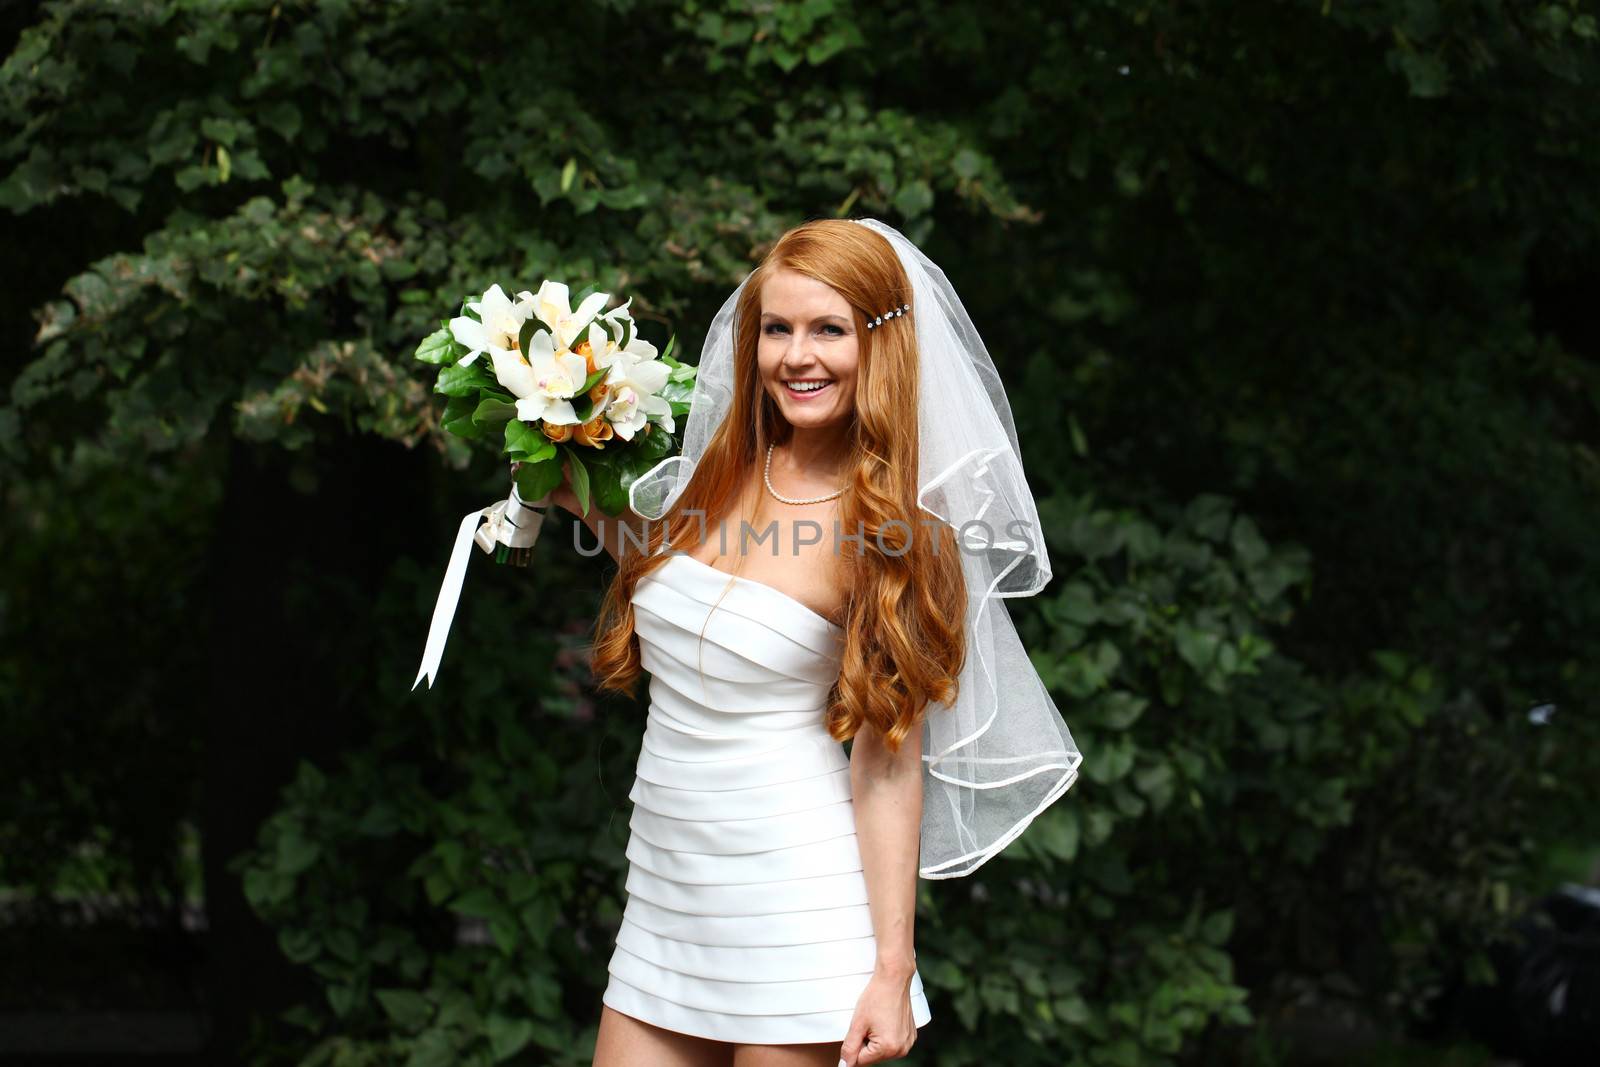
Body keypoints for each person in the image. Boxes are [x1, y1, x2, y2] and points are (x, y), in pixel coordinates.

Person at [542, 218, 1082, 1067]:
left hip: (796, 902)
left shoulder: (896, 533)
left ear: (882, 344)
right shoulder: (722, 470)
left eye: (829, 329)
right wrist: (562, 478)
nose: (798, 355)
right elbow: (691, 593)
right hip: (665, 900)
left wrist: (892, 968)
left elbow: (888, 759)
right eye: (779, 329)